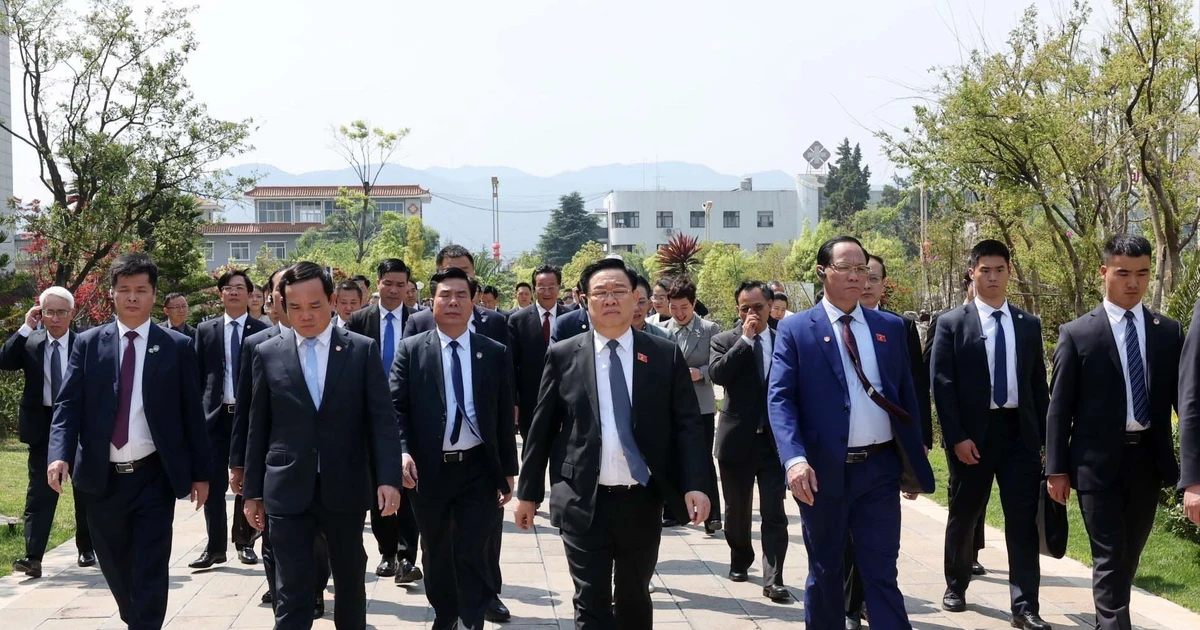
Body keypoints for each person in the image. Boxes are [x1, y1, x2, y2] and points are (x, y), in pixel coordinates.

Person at [515, 257, 712, 630]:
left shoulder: (662, 354)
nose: (610, 300)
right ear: (584, 300)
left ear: (636, 298)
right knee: (590, 601)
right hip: (581, 496)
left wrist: (698, 485)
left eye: (620, 291)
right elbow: (540, 429)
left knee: (634, 595)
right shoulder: (562, 355)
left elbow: (688, 426)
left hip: (641, 497)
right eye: (600, 293)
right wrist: (528, 494)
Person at [767, 235, 934, 629]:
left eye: (863, 269)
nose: (857, 277)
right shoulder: (796, 330)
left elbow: (907, 397)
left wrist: (913, 454)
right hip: (821, 474)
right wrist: (794, 460)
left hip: (878, 470)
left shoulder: (890, 328)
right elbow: (780, 400)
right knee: (825, 573)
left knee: (881, 571)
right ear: (822, 272)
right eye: (846, 268)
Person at [48, 253, 210, 630]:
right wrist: (59, 455)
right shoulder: (89, 343)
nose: (132, 297)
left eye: (141, 290)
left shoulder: (177, 346)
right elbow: (68, 405)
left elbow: (192, 415)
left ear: (154, 296)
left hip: (153, 474)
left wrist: (201, 474)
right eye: (125, 290)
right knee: (116, 564)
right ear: (112, 295)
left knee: (151, 564)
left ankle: (144, 623)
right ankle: (134, 616)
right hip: (102, 478)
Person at [243, 261, 401, 630]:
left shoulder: (361, 350)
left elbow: (382, 420)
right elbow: (256, 426)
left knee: (349, 586)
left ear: (331, 300)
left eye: (315, 306)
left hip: (344, 484)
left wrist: (388, 478)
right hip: (287, 488)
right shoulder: (268, 352)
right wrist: (252, 492)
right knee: (293, 591)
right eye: (294, 307)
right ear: (281, 304)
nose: (305, 316)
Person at [1047, 234, 1181, 630]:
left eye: (1142, 274)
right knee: (1108, 555)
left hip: (1148, 461)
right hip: (1094, 465)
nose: (1133, 283)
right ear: (1104, 272)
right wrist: (1055, 468)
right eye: (1123, 273)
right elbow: (1059, 408)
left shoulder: (1167, 332)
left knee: (1128, 555)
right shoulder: (1078, 333)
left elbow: (1184, 402)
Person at [930, 240, 1050, 630]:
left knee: (1022, 523)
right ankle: (956, 584)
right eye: (985, 270)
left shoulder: (1028, 324)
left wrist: (1045, 441)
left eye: (1000, 269)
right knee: (964, 516)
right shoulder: (952, 323)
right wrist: (957, 437)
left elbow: (1038, 386)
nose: (993, 277)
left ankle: (1025, 606)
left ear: (1009, 272)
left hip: (1019, 436)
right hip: (972, 438)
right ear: (972, 273)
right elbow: (942, 387)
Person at [391, 267, 518, 630]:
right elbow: (395, 406)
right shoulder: (412, 350)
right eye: (445, 295)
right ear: (432, 301)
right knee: (436, 550)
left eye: (461, 295)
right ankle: (446, 616)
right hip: (428, 469)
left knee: (473, 549)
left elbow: (501, 414)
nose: (453, 302)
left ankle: (471, 617)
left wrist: (507, 470)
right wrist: (401, 452)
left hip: (477, 467)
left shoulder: (493, 351)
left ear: (473, 301)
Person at [229, 267, 330, 615]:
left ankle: (312, 591)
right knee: (275, 544)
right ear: (277, 300)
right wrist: (241, 468)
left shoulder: (343, 346)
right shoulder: (259, 347)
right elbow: (250, 416)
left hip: (328, 476)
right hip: (281, 475)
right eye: (285, 298)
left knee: (319, 546)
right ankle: (282, 595)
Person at [1, 287, 95, 578]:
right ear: (40, 313)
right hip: (42, 424)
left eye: (61, 312)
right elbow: (4, 361)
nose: (55, 318)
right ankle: (33, 557)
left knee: (85, 490)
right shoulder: (31, 342)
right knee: (40, 493)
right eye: (49, 312)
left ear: (71, 313)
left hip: (79, 423)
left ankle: (86, 547)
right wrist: (26, 327)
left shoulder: (85, 343)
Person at [709, 281, 790, 602]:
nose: (751, 313)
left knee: (774, 513)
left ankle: (775, 578)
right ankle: (740, 557)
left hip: (774, 443)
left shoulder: (786, 339)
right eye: (745, 308)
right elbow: (718, 375)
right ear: (737, 310)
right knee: (737, 511)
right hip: (736, 441)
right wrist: (746, 339)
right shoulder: (724, 340)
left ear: (771, 305)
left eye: (757, 307)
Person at [189, 269, 269, 570]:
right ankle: (215, 547)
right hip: (215, 417)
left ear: (250, 295)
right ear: (220, 294)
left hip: (247, 417)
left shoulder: (261, 330)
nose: (234, 292)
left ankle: (245, 542)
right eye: (228, 288)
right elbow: (196, 375)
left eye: (240, 288)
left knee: (245, 482)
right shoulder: (206, 330)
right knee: (212, 483)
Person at [346, 258, 417, 582]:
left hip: (409, 415)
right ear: (377, 283)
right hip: (370, 416)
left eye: (400, 284)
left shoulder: (420, 322)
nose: (393, 290)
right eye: (388, 283)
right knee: (379, 483)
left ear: (408, 287)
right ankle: (387, 552)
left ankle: (407, 556)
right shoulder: (359, 321)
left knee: (409, 483)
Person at [924, 271, 989, 578]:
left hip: (992, 426)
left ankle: (973, 551)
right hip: (959, 425)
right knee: (960, 492)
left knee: (982, 496)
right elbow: (931, 369)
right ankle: (960, 558)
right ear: (968, 284)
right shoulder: (946, 320)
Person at [660, 277, 722, 533]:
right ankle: (675, 511)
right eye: (674, 307)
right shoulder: (662, 330)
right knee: (672, 456)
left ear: (694, 303)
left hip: (701, 405)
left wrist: (701, 373)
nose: (679, 313)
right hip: (671, 405)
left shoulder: (709, 329)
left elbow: (719, 364)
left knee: (703, 459)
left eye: (684, 307)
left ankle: (713, 515)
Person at [508, 265, 567, 440]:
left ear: (559, 287)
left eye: (551, 286)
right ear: (534, 289)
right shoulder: (517, 320)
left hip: (565, 400)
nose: (546, 291)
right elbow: (511, 365)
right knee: (532, 458)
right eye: (541, 287)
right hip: (530, 400)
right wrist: (515, 401)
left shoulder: (571, 318)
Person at [632, 276, 674, 341]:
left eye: (641, 302)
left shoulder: (666, 336)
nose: (636, 308)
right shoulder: (613, 336)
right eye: (630, 302)